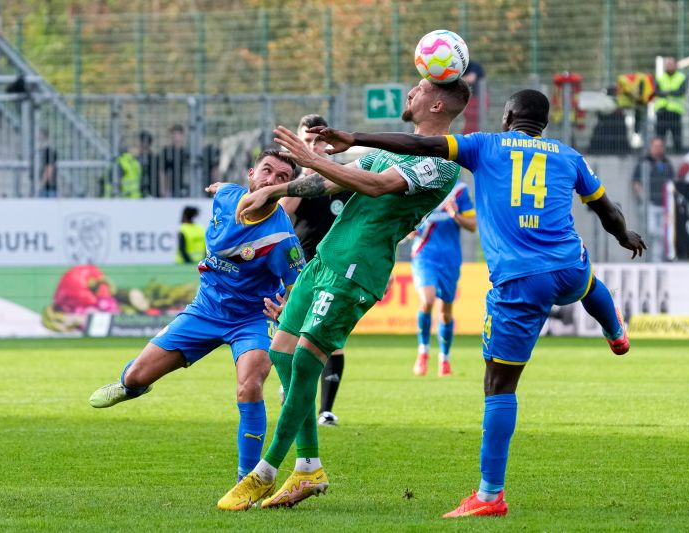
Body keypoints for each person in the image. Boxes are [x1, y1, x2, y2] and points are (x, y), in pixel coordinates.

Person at [304, 89, 646, 518]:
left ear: (507, 118)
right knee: (588, 280)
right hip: (568, 265)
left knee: (499, 386)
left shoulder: (485, 145)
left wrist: (354, 137)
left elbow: (421, 144)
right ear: (545, 122)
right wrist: (624, 236)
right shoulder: (568, 156)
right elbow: (606, 209)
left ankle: (489, 496)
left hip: (521, 281)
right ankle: (615, 332)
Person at [216, 78, 471, 512]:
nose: (410, 92)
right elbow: (332, 184)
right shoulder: (393, 148)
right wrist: (278, 188)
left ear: (438, 103)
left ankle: (264, 472)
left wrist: (313, 160)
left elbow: (374, 186)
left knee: (304, 359)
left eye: (420, 88)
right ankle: (310, 467)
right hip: (326, 258)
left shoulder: (443, 162)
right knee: (281, 352)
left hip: (358, 267)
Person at [89, 150, 305, 484]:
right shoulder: (228, 195)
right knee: (135, 377)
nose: (272, 180)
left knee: (250, 387)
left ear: (288, 189)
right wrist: (219, 187)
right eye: (267, 171)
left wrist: (286, 310)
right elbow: (221, 188)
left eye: (282, 178)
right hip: (205, 310)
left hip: (252, 318)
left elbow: (298, 285)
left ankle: (246, 480)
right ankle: (131, 387)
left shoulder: (281, 238)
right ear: (250, 175)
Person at [279, 114, 353, 426]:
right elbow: (282, 215)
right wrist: (302, 177)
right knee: (293, 339)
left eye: (317, 140)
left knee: (327, 339)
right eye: (306, 141)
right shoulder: (295, 182)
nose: (312, 146)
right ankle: (291, 398)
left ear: (327, 143)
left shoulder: (346, 177)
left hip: (334, 272)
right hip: (299, 271)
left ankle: (325, 409)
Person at [410, 179, 476, 377]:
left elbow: (472, 225)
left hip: (450, 259)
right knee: (427, 300)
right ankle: (423, 352)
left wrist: (455, 215)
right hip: (424, 254)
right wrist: (409, 230)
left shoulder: (459, 190)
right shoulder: (422, 184)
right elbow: (407, 222)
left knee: (446, 312)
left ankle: (444, 358)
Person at [632, 136, 674, 262]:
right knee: (652, 231)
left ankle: (658, 260)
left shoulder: (667, 163)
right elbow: (636, 183)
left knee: (661, 237)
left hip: (664, 205)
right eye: (655, 146)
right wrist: (643, 197)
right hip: (650, 205)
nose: (658, 149)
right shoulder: (644, 162)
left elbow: (672, 182)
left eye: (660, 146)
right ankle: (651, 258)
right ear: (651, 147)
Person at [654, 56, 686, 152]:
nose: (669, 66)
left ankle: (677, 153)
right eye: (667, 64)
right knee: (660, 137)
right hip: (662, 111)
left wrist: (666, 93)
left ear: (676, 65)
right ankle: (659, 154)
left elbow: (681, 92)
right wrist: (671, 92)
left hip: (675, 111)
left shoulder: (681, 77)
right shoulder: (660, 77)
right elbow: (656, 92)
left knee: (676, 137)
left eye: (671, 64)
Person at [160, 124, 190, 197]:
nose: (174, 136)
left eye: (177, 134)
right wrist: (163, 188)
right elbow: (162, 172)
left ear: (182, 136)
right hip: (170, 189)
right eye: (173, 134)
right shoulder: (166, 151)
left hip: (185, 188)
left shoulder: (187, 152)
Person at [461, 60, 487, 134]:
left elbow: (471, 79)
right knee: (470, 120)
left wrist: (455, 79)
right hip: (471, 98)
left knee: (474, 119)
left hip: (479, 98)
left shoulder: (473, 65)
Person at [137, 131, 160, 197]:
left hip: (153, 190)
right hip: (139, 190)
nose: (140, 144)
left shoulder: (154, 158)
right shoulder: (137, 158)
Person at [37, 128, 58, 198]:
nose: (38, 138)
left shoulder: (49, 151)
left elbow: (49, 169)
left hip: (48, 189)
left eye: (39, 135)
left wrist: (41, 185)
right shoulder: (41, 151)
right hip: (45, 188)